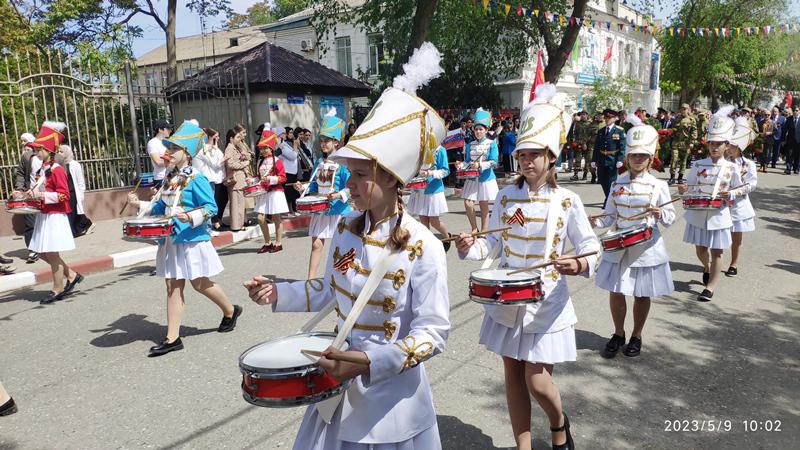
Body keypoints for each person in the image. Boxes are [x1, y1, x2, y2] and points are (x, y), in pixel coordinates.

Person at [245, 42, 450, 449]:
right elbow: (326, 291)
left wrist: (372, 361)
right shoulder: (345, 230)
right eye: (349, 173)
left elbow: (433, 333)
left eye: (359, 175)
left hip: (394, 400)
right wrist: (276, 292)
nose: (350, 184)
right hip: (336, 382)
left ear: (391, 178)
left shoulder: (423, 244)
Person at [456, 83, 598, 450]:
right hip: (507, 298)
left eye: (536, 154)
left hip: (546, 298)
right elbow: (492, 245)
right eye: (522, 155)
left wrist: (579, 261)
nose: (528, 161)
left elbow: (590, 247)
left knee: (537, 380)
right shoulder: (505, 196)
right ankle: (523, 446)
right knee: (513, 376)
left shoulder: (567, 200)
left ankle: (558, 422)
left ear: (552, 157)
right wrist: (470, 245)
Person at [128, 120, 242, 356]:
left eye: (172, 149)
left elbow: (211, 208)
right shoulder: (170, 178)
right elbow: (161, 207)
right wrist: (139, 203)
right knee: (172, 285)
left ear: (186, 153)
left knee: (200, 283)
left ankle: (230, 310)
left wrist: (189, 217)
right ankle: (172, 338)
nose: (167, 153)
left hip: (192, 239)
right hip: (171, 239)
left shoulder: (197, 178)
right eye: (167, 148)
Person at [592, 114, 675, 358]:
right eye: (633, 155)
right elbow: (609, 216)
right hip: (619, 244)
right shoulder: (617, 184)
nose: (638, 160)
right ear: (627, 157)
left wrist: (659, 213)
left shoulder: (658, 185)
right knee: (616, 291)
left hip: (646, 246)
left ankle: (636, 335)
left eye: (642, 156)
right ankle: (618, 333)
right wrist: (595, 220)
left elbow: (670, 217)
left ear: (650, 159)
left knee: (641, 293)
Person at [677, 106, 745, 302]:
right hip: (698, 214)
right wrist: (684, 190)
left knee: (717, 251)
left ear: (726, 145)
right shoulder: (698, 164)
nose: (714, 147)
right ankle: (706, 267)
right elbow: (690, 187)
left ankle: (710, 287)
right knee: (700, 250)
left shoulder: (732, 167)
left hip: (718, 215)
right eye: (711, 143)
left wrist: (730, 193)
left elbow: (740, 190)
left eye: (719, 144)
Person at [19, 122, 83, 304]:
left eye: (39, 149)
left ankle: (57, 288)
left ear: (48, 150)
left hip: (54, 216)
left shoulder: (57, 170)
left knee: (52, 255)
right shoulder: (44, 169)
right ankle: (71, 275)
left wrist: (43, 195)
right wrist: (29, 193)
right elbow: (40, 188)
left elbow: (64, 195)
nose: (36, 153)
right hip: (44, 214)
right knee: (41, 252)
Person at [293, 109, 352, 279]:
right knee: (316, 244)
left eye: (327, 141)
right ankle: (310, 280)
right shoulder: (319, 162)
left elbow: (351, 187)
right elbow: (314, 186)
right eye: (321, 141)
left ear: (336, 143)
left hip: (339, 212)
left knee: (340, 247)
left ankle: (341, 279)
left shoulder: (343, 163)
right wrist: (302, 187)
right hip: (322, 211)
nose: (323, 144)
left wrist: (339, 195)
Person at [724, 116, 758, 277]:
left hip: (738, 204)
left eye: (732, 146)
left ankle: (734, 263)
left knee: (736, 237)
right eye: (728, 145)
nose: (729, 148)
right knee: (717, 236)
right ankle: (714, 263)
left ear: (739, 147)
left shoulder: (749, 164)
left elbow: (751, 184)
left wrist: (735, 192)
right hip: (721, 204)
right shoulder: (721, 162)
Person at [407, 131, 452, 249]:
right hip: (419, 188)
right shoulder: (420, 150)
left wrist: (431, 173)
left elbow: (446, 170)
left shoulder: (440, 150)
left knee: (433, 220)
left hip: (433, 189)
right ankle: (427, 244)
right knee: (423, 218)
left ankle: (447, 236)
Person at [459, 107, 499, 232]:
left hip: (485, 178)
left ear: (486, 130)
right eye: (476, 129)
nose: (478, 132)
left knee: (483, 205)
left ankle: (484, 231)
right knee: (468, 203)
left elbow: (494, 162)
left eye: (481, 129)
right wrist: (461, 165)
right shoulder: (470, 144)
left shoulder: (491, 143)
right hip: (472, 178)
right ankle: (474, 228)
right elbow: (467, 161)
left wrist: (481, 165)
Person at [253, 128, 289, 254]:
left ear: (271, 148)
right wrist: (251, 180)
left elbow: (283, 177)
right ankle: (268, 242)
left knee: (276, 217)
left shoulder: (278, 161)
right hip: (263, 192)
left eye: (265, 148)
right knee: (260, 218)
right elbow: (258, 177)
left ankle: (278, 243)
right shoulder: (260, 162)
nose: (262, 150)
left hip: (275, 192)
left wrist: (270, 179)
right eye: (261, 148)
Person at [13, 132, 42, 263]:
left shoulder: (52, 158)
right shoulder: (27, 157)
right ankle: (32, 250)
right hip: (30, 195)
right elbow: (20, 173)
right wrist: (19, 189)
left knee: (44, 223)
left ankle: (47, 248)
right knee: (30, 223)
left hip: (47, 196)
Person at [56, 145, 94, 237]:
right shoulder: (58, 165)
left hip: (73, 193)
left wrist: (81, 195)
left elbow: (80, 181)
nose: (59, 153)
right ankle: (84, 226)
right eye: (58, 151)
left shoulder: (74, 164)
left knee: (72, 213)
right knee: (69, 213)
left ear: (67, 153)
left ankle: (73, 232)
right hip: (63, 193)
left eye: (61, 151)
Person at [193, 127, 226, 231]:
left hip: (211, 179)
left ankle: (210, 226)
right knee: (207, 203)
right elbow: (215, 164)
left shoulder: (210, 148)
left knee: (211, 202)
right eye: (215, 137)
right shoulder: (203, 149)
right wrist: (224, 159)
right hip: (205, 179)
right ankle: (208, 227)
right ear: (209, 137)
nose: (218, 139)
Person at [592, 108, 626, 207]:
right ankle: (609, 197)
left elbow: (622, 146)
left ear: (615, 118)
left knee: (611, 181)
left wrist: (620, 159)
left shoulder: (620, 130)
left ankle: (608, 200)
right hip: (602, 159)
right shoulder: (601, 131)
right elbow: (596, 146)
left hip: (613, 159)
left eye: (609, 118)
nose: (607, 119)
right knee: (602, 180)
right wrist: (594, 159)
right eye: (606, 117)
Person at [224, 124, 252, 231]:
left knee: (240, 203)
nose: (239, 139)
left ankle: (240, 224)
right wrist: (244, 164)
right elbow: (230, 164)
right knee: (236, 204)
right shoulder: (230, 148)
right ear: (231, 138)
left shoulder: (235, 148)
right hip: (235, 179)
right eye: (237, 137)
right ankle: (236, 225)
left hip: (239, 179)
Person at [667, 104, 698, 184]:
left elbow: (694, 131)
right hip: (676, 142)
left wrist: (692, 142)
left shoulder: (692, 120)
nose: (683, 110)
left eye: (685, 109)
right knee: (674, 159)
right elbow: (672, 128)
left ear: (688, 110)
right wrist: (671, 131)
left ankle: (680, 177)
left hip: (685, 143)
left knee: (683, 161)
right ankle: (672, 177)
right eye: (682, 109)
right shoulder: (676, 118)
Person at [277, 126, 300, 214]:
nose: (285, 135)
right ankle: (285, 211)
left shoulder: (284, 143)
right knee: (287, 192)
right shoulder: (279, 143)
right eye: (283, 133)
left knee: (292, 192)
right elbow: (292, 156)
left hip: (292, 171)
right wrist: (295, 146)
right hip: (287, 171)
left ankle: (291, 210)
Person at [147, 119, 173, 188]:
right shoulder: (152, 143)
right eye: (167, 128)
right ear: (160, 130)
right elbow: (158, 161)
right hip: (161, 178)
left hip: (172, 176)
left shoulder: (169, 142)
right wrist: (173, 161)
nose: (170, 130)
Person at [782, 106, 800, 174]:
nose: (795, 111)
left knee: (797, 155)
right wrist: (783, 139)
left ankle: (796, 168)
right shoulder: (789, 119)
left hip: (798, 140)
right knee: (789, 154)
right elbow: (785, 130)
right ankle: (788, 168)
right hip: (790, 140)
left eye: (797, 110)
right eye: (794, 110)